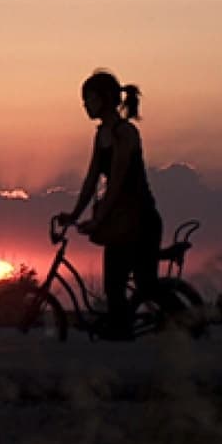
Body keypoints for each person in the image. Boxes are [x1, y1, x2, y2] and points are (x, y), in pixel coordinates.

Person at [57, 70, 162, 340]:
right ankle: (121, 337)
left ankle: (186, 323)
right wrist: (74, 214)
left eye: (89, 99)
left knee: (144, 286)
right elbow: (91, 180)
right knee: (113, 286)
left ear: (104, 99)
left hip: (139, 219)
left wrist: (98, 219)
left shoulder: (124, 133)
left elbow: (116, 182)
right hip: (119, 220)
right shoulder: (101, 134)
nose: (85, 105)